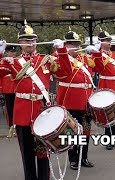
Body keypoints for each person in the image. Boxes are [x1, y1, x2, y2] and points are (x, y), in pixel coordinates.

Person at [0, 20, 72, 180]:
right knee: (27, 155)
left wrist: (61, 51)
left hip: (42, 113)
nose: (30, 43)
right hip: (23, 114)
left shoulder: (46, 60)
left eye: (32, 40)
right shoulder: (13, 62)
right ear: (19, 43)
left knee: (43, 153)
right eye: (26, 40)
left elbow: (65, 72)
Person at [56, 28, 104, 170]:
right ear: (65, 45)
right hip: (70, 100)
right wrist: (62, 51)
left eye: (77, 44)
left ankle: (83, 157)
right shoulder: (59, 57)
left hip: (86, 100)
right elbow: (62, 71)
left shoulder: (84, 58)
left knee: (86, 131)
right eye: (72, 44)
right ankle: (73, 159)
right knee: (72, 131)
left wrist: (97, 53)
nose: (76, 47)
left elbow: (99, 68)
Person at [94, 28, 115, 150]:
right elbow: (99, 68)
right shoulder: (97, 54)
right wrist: (96, 52)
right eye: (106, 40)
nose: (109, 42)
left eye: (109, 40)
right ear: (100, 42)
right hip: (106, 85)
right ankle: (108, 140)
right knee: (108, 115)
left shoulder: (114, 54)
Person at [0, 45, 17, 137]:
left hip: (17, 89)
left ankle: (17, 125)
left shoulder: (18, 60)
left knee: (17, 110)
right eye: (11, 52)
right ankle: (11, 126)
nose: (13, 53)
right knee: (9, 110)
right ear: (6, 52)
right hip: (7, 89)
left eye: (14, 52)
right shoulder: (3, 61)